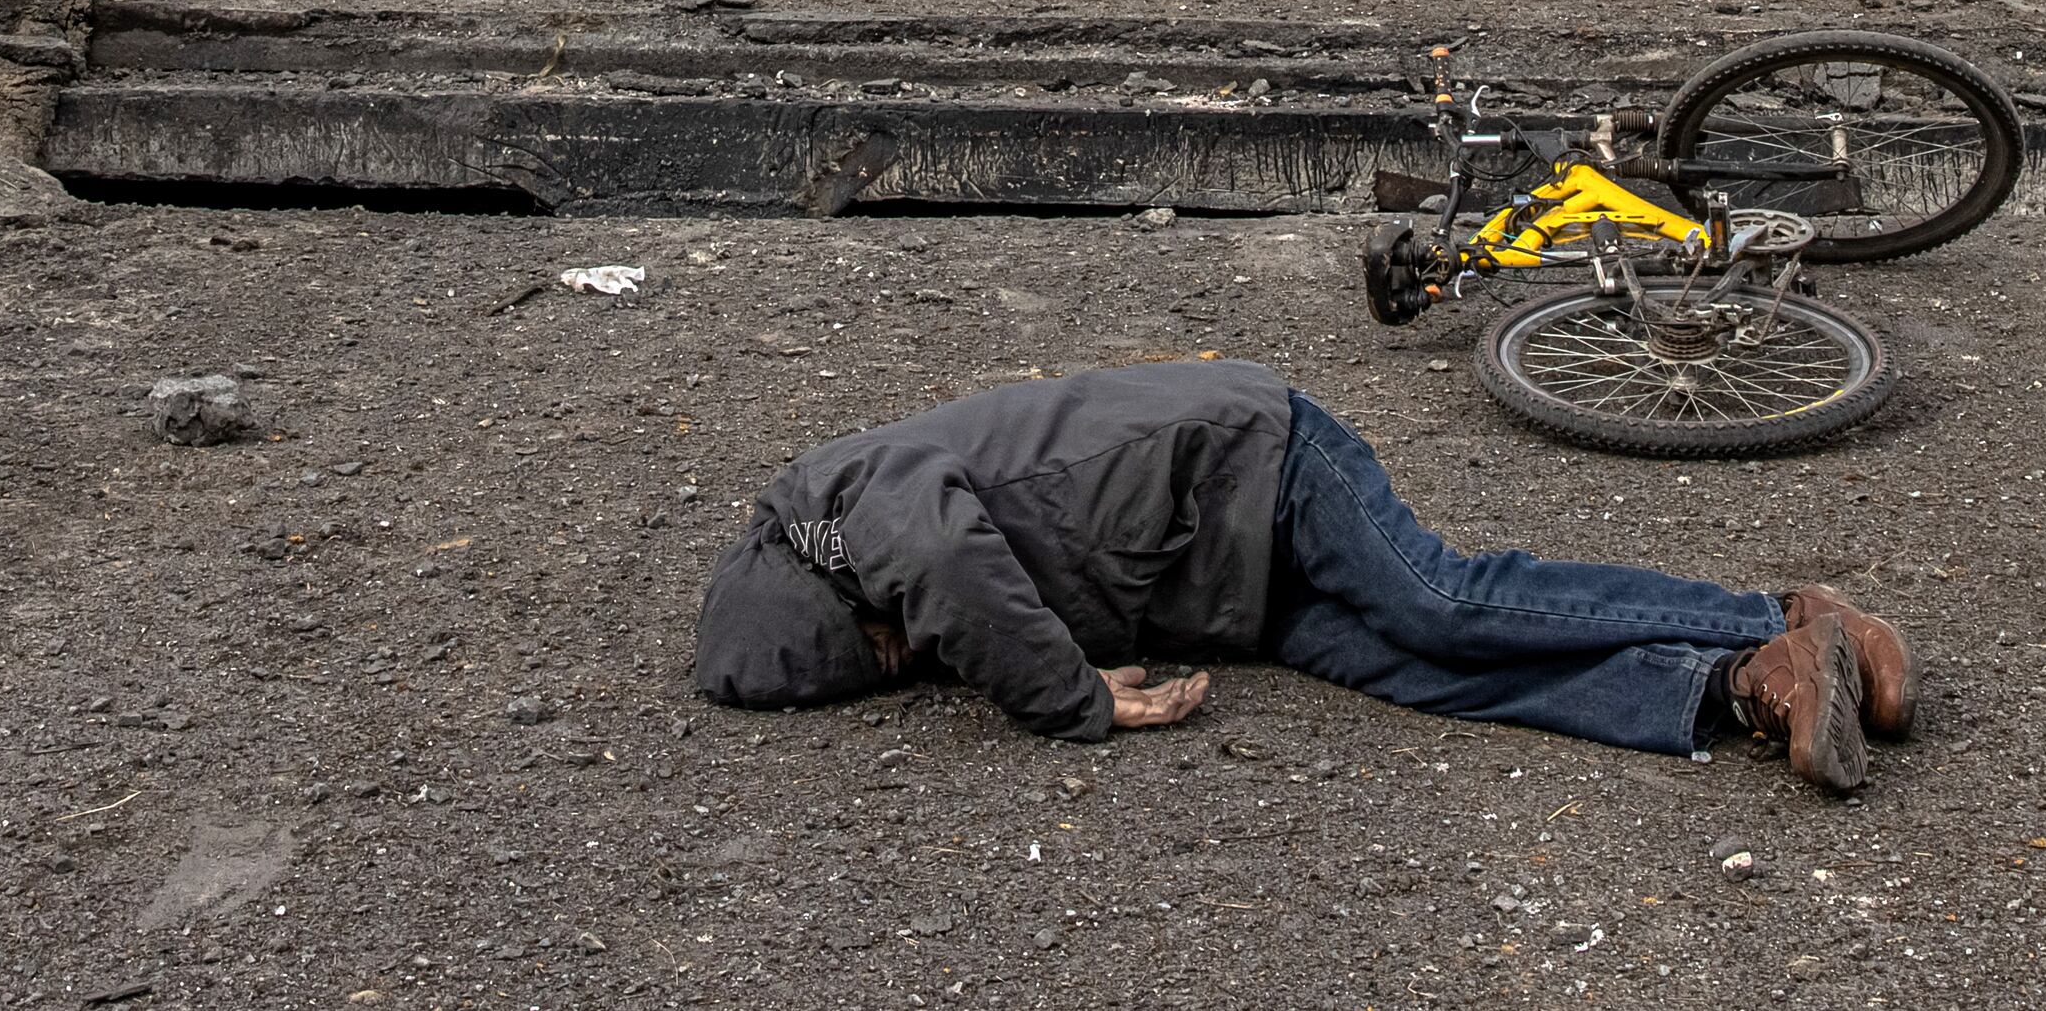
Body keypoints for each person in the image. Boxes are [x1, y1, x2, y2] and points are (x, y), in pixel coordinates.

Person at [690, 361, 1914, 789]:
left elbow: (954, 567)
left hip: (1252, 456)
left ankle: (1786, 608)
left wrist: (1069, 697)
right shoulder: (845, 559)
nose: (903, 659)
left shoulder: (837, 500)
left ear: (822, 590)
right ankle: (1751, 684)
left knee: (1438, 598)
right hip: (1228, 587)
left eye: (880, 648)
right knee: (1425, 671)